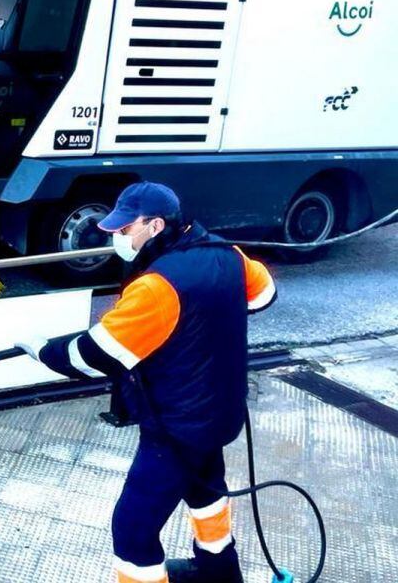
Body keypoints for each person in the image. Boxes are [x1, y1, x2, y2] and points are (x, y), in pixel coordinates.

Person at [16, 182, 276, 583]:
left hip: (175, 427)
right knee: (206, 493)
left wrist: (42, 350)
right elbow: (263, 296)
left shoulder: (157, 287)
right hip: (219, 413)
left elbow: (93, 355)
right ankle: (219, 573)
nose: (117, 238)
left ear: (155, 226)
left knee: (133, 529)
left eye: (124, 230)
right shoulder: (229, 255)